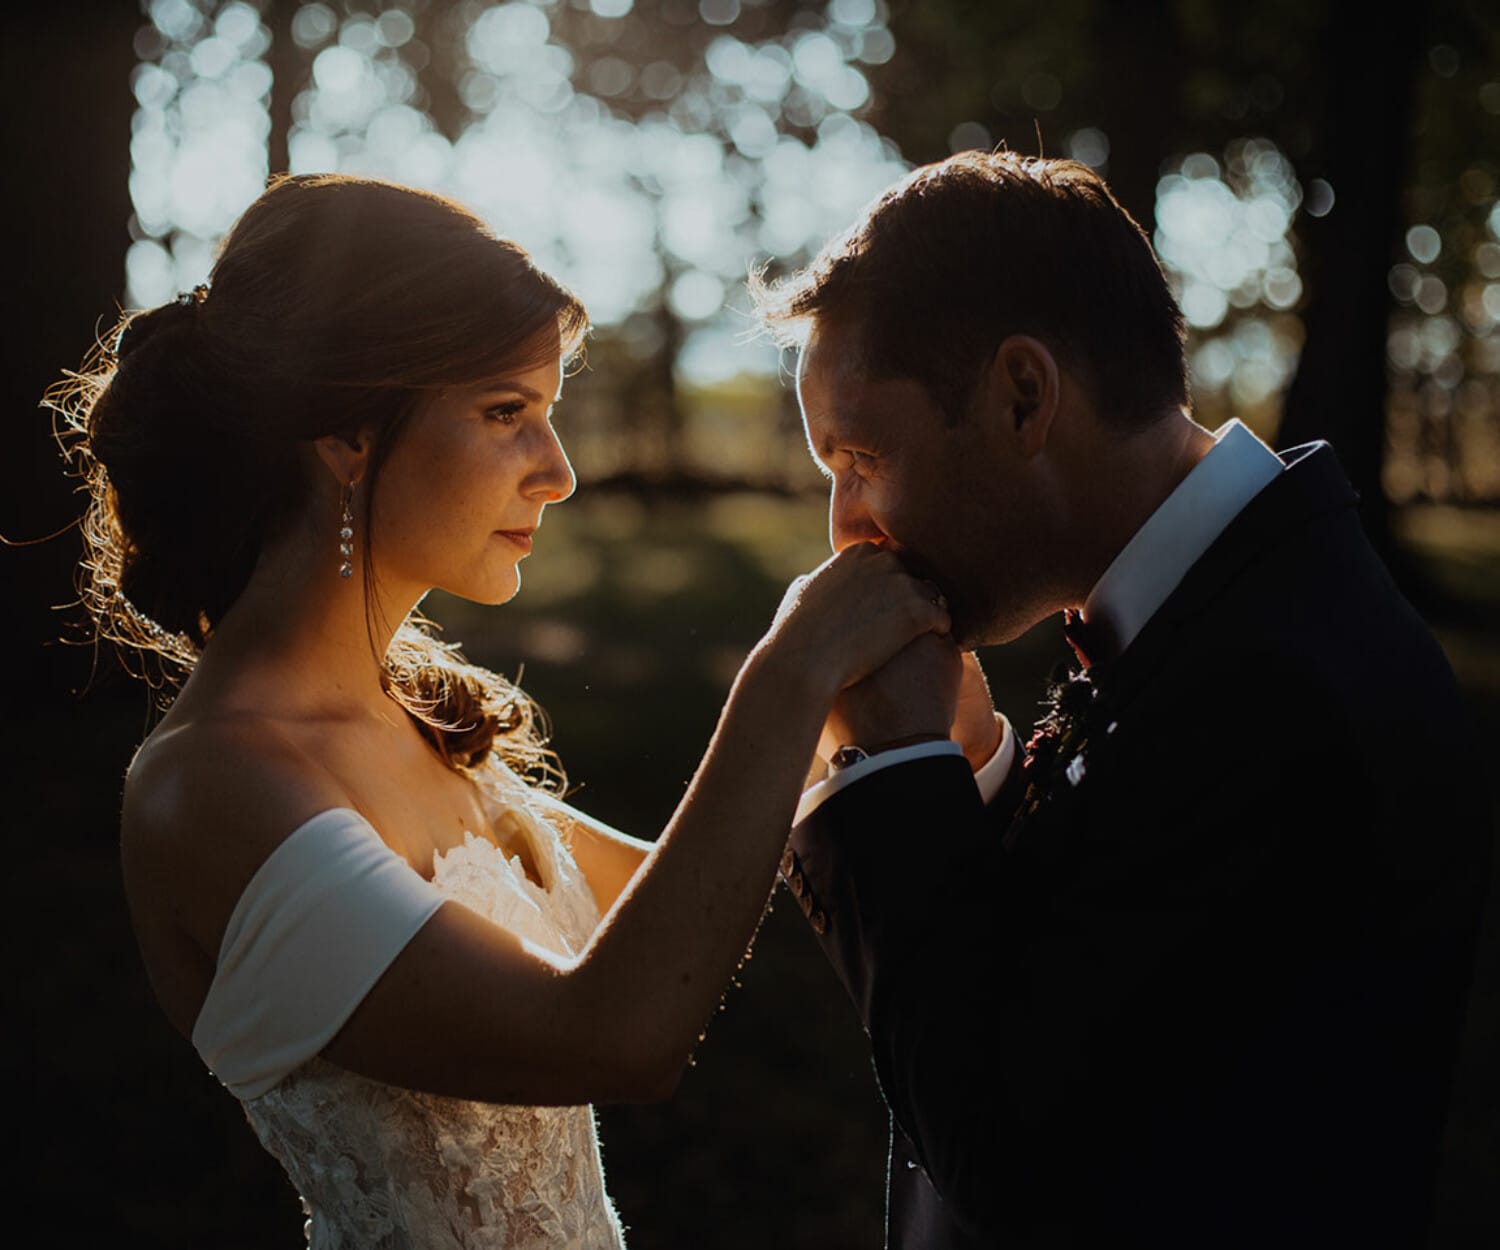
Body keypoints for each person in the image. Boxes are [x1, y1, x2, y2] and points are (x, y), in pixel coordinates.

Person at [50, 173, 952, 1247]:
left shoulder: (409, 722)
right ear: (346, 430)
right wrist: (789, 674)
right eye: (505, 413)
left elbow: (677, 896)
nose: (558, 472)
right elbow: (615, 1031)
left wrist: (875, 721)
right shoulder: (212, 784)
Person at [754, 151, 1492, 1249]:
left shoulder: (1277, 689)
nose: (845, 525)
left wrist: (901, 777)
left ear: (1022, 395)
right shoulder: (1229, 607)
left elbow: (1012, 1139)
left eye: (861, 455)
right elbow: (1080, 970)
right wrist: (978, 772)